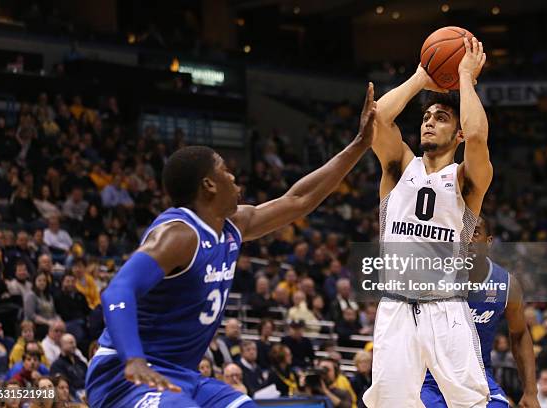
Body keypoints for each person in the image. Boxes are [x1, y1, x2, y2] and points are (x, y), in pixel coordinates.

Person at [85, 86, 376, 407]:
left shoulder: (234, 225)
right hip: (124, 376)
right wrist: (133, 359)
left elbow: (298, 200)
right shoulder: (179, 235)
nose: (234, 176)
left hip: (183, 375)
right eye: (224, 170)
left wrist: (359, 145)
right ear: (208, 184)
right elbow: (117, 292)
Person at [364, 37, 491, 408]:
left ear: (458, 133)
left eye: (441, 117)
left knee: (470, 404)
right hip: (395, 306)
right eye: (426, 117)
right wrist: (423, 75)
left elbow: (479, 135)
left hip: (445, 308)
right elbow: (376, 118)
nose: (429, 123)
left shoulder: (466, 179)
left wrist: (464, 77)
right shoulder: (399, 166)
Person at [420, 216, 540, 407]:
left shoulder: (506, 285)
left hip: (478, 376)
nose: (467, 238)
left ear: (489, 241)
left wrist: (531, 392)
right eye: (460, 233)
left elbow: (520, 334)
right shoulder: (431, 278)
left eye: (474, 232)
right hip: (430, 377)